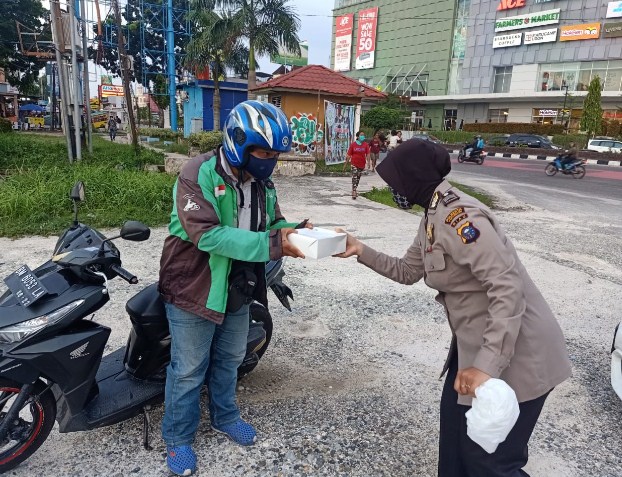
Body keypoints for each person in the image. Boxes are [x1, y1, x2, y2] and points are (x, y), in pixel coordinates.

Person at [335, 139, 571, 477]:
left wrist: (486, 367)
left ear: (414, 178)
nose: (391, 188)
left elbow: (507, 288)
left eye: (395, 180)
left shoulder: (462, 219)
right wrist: (358, 248)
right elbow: (407, 271)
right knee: (455, 447)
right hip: (474, 349)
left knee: (491, 463)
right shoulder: (432, 215)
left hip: (517, 352)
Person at [158, 100, 310, 476]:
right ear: (237, 141)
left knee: (229, 359)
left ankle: (224, 417)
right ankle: (177, 438)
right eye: (262, 151)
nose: (269, 159)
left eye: (275, 153)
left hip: (239, 284)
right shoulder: (197, 174)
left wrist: (298, 233)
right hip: (195, 286)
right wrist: (274, 245)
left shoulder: (261, 181)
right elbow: (207, 235)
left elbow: (272, 222)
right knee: (189, 369)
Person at [345, 131, 370, 199]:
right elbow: (349, 154)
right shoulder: (353, 144)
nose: (363, 136)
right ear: (358, 136)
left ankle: (355, 189)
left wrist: (368, 163)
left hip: (361, 164)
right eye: (361, 135)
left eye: (363, 135)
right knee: (355, 176)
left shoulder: (366, 145)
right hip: (354, 163)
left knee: (358, 178)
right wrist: (345, 164)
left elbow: (367, 154)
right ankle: (353, 191)